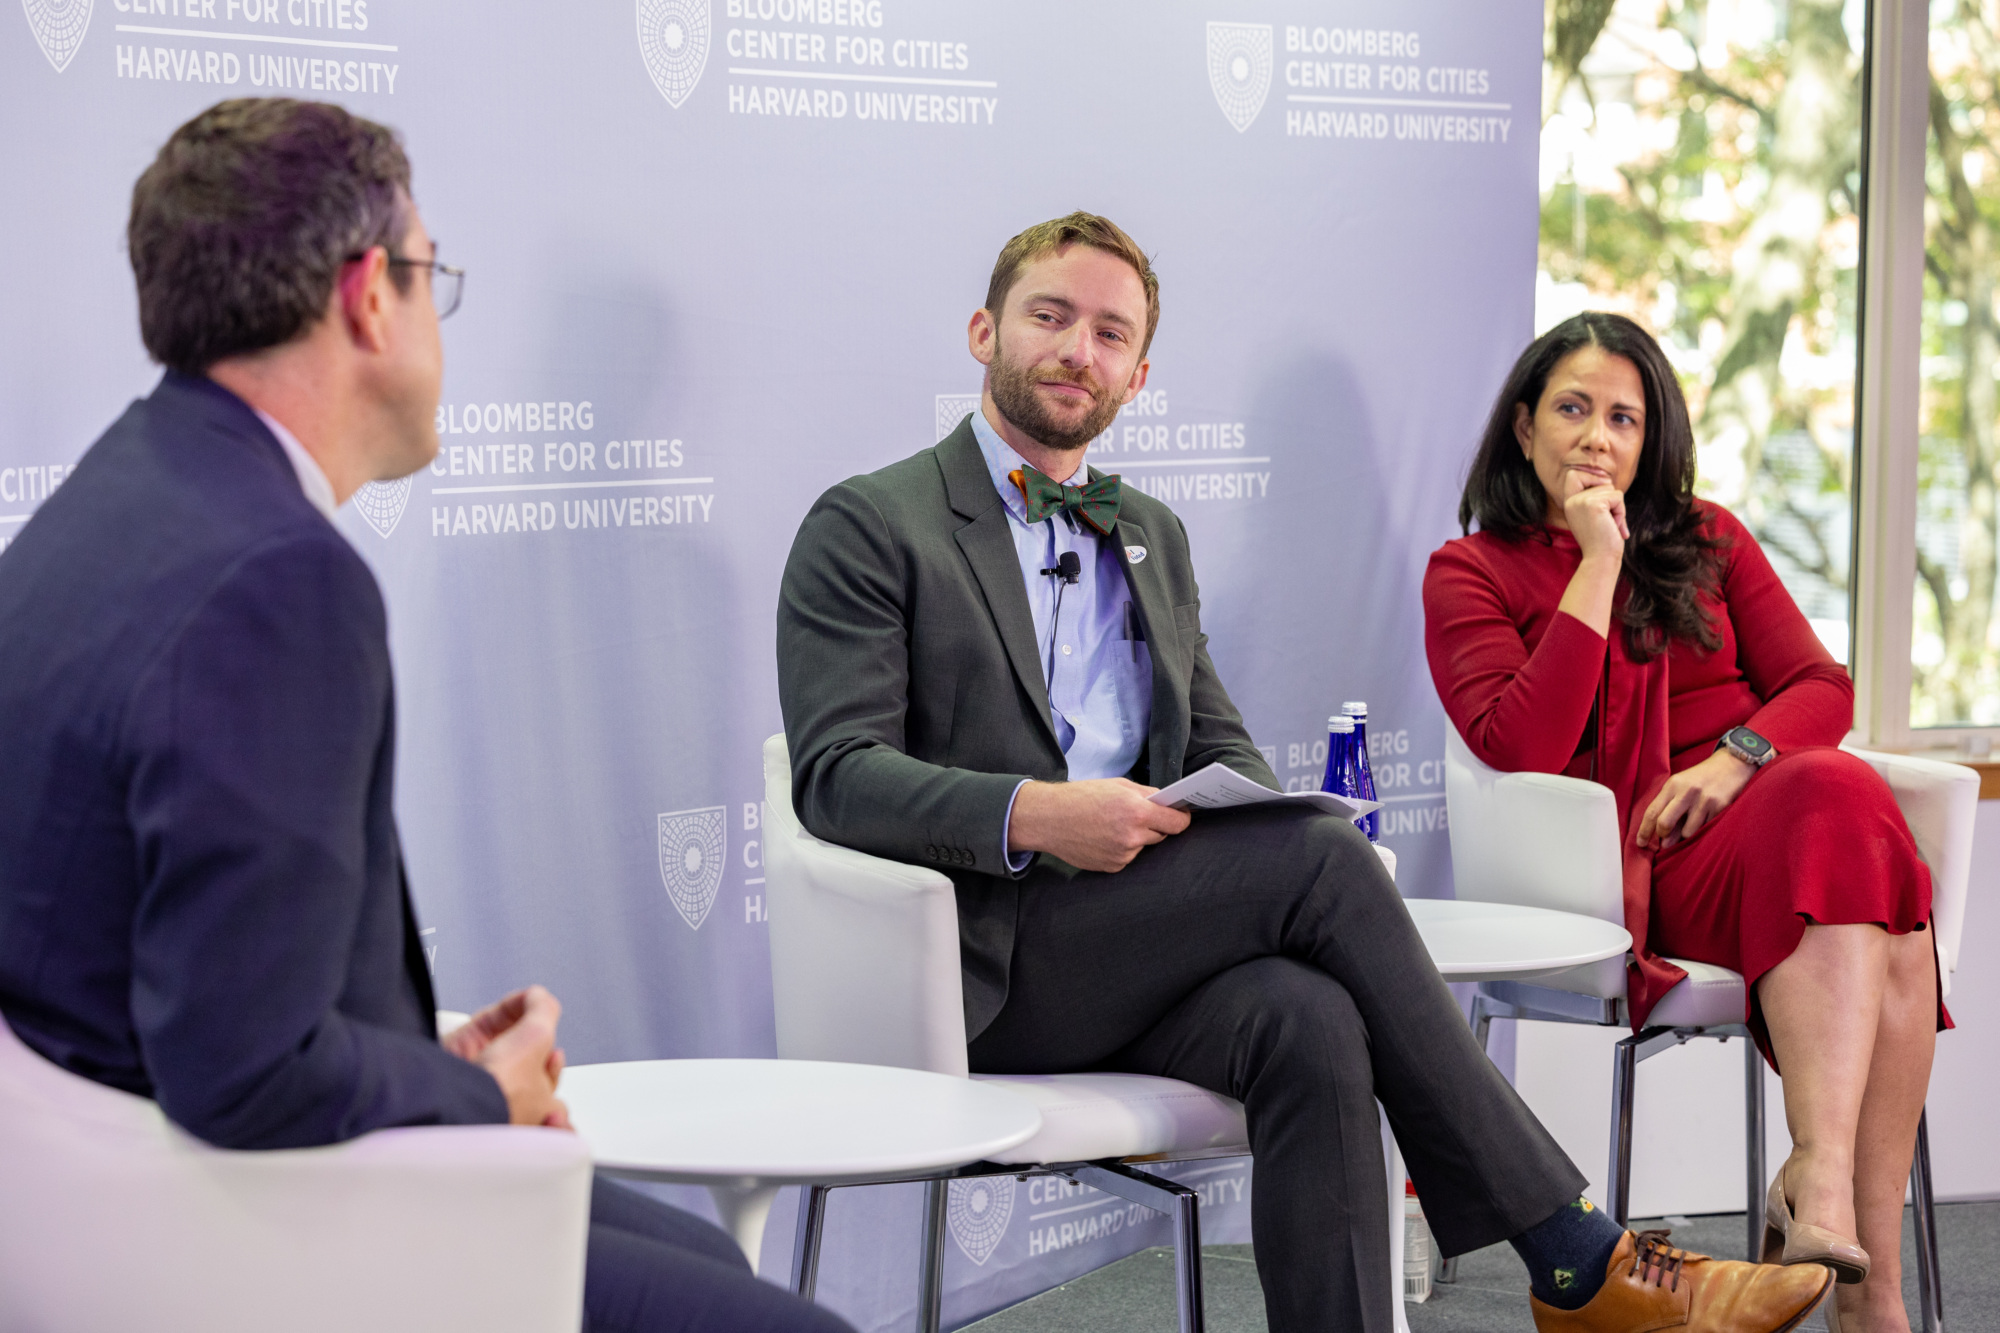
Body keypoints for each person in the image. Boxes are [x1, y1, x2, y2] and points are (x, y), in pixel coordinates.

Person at [778, 213, 1832, 1333]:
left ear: (1139, 375)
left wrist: (1245, 807)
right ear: (986, 329)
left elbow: (1218, 746)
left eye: (1108, 333)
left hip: (1132, 948)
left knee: (1310, 1016)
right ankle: (1577, 1257)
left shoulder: (1149, 532)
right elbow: (835, 777)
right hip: (976, 961)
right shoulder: (870, 522)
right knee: (1322, 866)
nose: (1075, 350)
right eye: (1049, 317)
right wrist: (1037, 814)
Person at [0, 98, 849, 1333]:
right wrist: (485, 1090)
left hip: (121, 1176)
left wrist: (434, 1065)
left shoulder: (113, 497)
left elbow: (202, 982)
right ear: (366, 296)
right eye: (430, 276)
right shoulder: (277, 579)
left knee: (703, 1265)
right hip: (234, 1225)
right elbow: (241, 1069)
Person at [1424, 312, 1947, 1333]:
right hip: (1620, 860)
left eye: (1623, 417)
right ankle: (1866, 1286)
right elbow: (1517, 742)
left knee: (1831, 799)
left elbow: (1815, 685)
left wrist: (1732, 760)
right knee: (1874, 878)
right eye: (1572, 409)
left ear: (1648, 440)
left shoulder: (1707, 536)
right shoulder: (1469, 570)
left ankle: (1822, 1186)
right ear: (1523, 427)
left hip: (1755, 821)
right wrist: (1593, 561)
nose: (1597, 438)